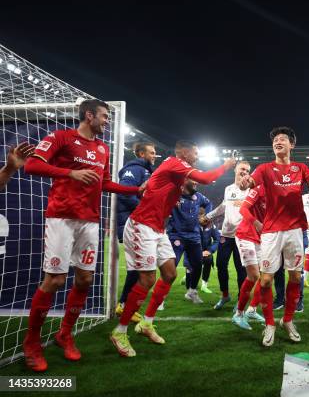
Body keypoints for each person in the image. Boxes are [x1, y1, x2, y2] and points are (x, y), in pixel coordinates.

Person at [22, 99, 144, 372]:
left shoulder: (102, 148)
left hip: (90, 221)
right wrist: (70, 172)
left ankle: (65, 334)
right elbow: (31, 166)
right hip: (61, 218)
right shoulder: (61, 138)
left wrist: (135, 191)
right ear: (89, 116)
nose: (107, 121)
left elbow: (105, 184)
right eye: (104, 116)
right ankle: (31, 343)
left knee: (86, 278)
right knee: (54, 280)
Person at [110, 140, 234, 358]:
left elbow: (159, 186)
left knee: (169, 273)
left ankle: (146, 324)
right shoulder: (176, 162)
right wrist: (226, 165)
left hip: (158, 229)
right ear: (184, 152)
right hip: (141, 226)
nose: (197, 157)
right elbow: (205, 178)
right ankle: (119, 332)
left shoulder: (174, 172)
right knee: (146, 279)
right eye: (195, 153)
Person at [243, 126, 309, 347]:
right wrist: (245, 181)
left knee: (296, 278)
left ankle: (287, 320)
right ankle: (270, 323)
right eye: (275, 140)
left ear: (292, 145)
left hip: (295, 231)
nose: (278, 142)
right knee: (267, 279)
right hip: (271, 231)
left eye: (283, 139)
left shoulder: (300, 168)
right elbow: (250, 182)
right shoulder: (264, 168)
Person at [115, 142, 156, 322]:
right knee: (143, 270)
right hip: (132, 223)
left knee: (137, 269)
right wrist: (143, 209)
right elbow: (125, 193)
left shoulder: (146, 171)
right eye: (151, 152)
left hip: (141, 223)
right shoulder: (134, 169)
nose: (154, 155)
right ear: (141, 153)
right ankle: (124, 306)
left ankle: (124, 305)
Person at [204, 162, 251, 310]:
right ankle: (225, 295)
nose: (245, 172)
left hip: (242, 236)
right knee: (220, 265)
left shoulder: (251, 190)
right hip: (226, 234)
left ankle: (240, 300)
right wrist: (209, 216)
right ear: (236, 170)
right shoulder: (228, 189)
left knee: (240, 269)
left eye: (248, 170)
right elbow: (223, 207)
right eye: (242, 169)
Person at [167, 179, 212, 304]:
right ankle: (161, 297)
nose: (196, 183)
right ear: (185, 181)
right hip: (176, 235)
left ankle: (191, 292)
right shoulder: (174, 193)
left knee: (198, 265)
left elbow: (209, 204)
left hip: (194, 236)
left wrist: (206, 216)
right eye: (193, 181)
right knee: (171, 268)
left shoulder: (198, 196)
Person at [231, 184, 267, 330]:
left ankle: (252, 310)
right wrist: (256, 222)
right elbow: (243, 209)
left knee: (264, 277)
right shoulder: (259, 189)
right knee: (253, 275)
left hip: (260, 238)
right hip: (246, 235)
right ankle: (238, 314)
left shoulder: (278, 194)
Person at [195, 208, 220, 294]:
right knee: (191, 269)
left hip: (206, 251)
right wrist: (198, 252)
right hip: (193, 251)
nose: (201, 218)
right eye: (199, 216)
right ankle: (186, 278)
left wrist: (210, 250)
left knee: (208, 259)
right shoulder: (192, 224)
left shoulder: (210, 225)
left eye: (202, 215)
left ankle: (204, 285)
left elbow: (217, 239)